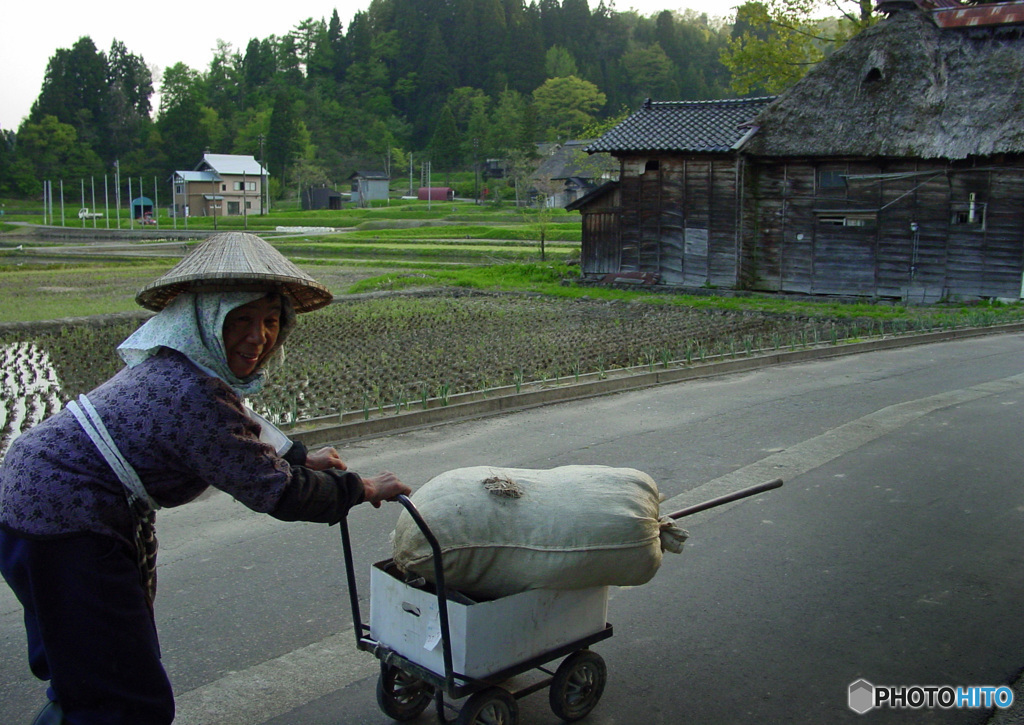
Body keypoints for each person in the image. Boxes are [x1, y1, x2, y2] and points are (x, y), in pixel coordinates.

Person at [0, 232, 410, 725]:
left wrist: (300, 456)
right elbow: (276, 491)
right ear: (204, 322)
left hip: (35, 501)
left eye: (271, 321)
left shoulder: (180, 366)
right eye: (239, 320)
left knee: (82, 668)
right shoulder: (188, 393)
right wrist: (361, 489)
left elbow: (241, 425)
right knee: (124, 698)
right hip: (66, 516)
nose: (258, 336)